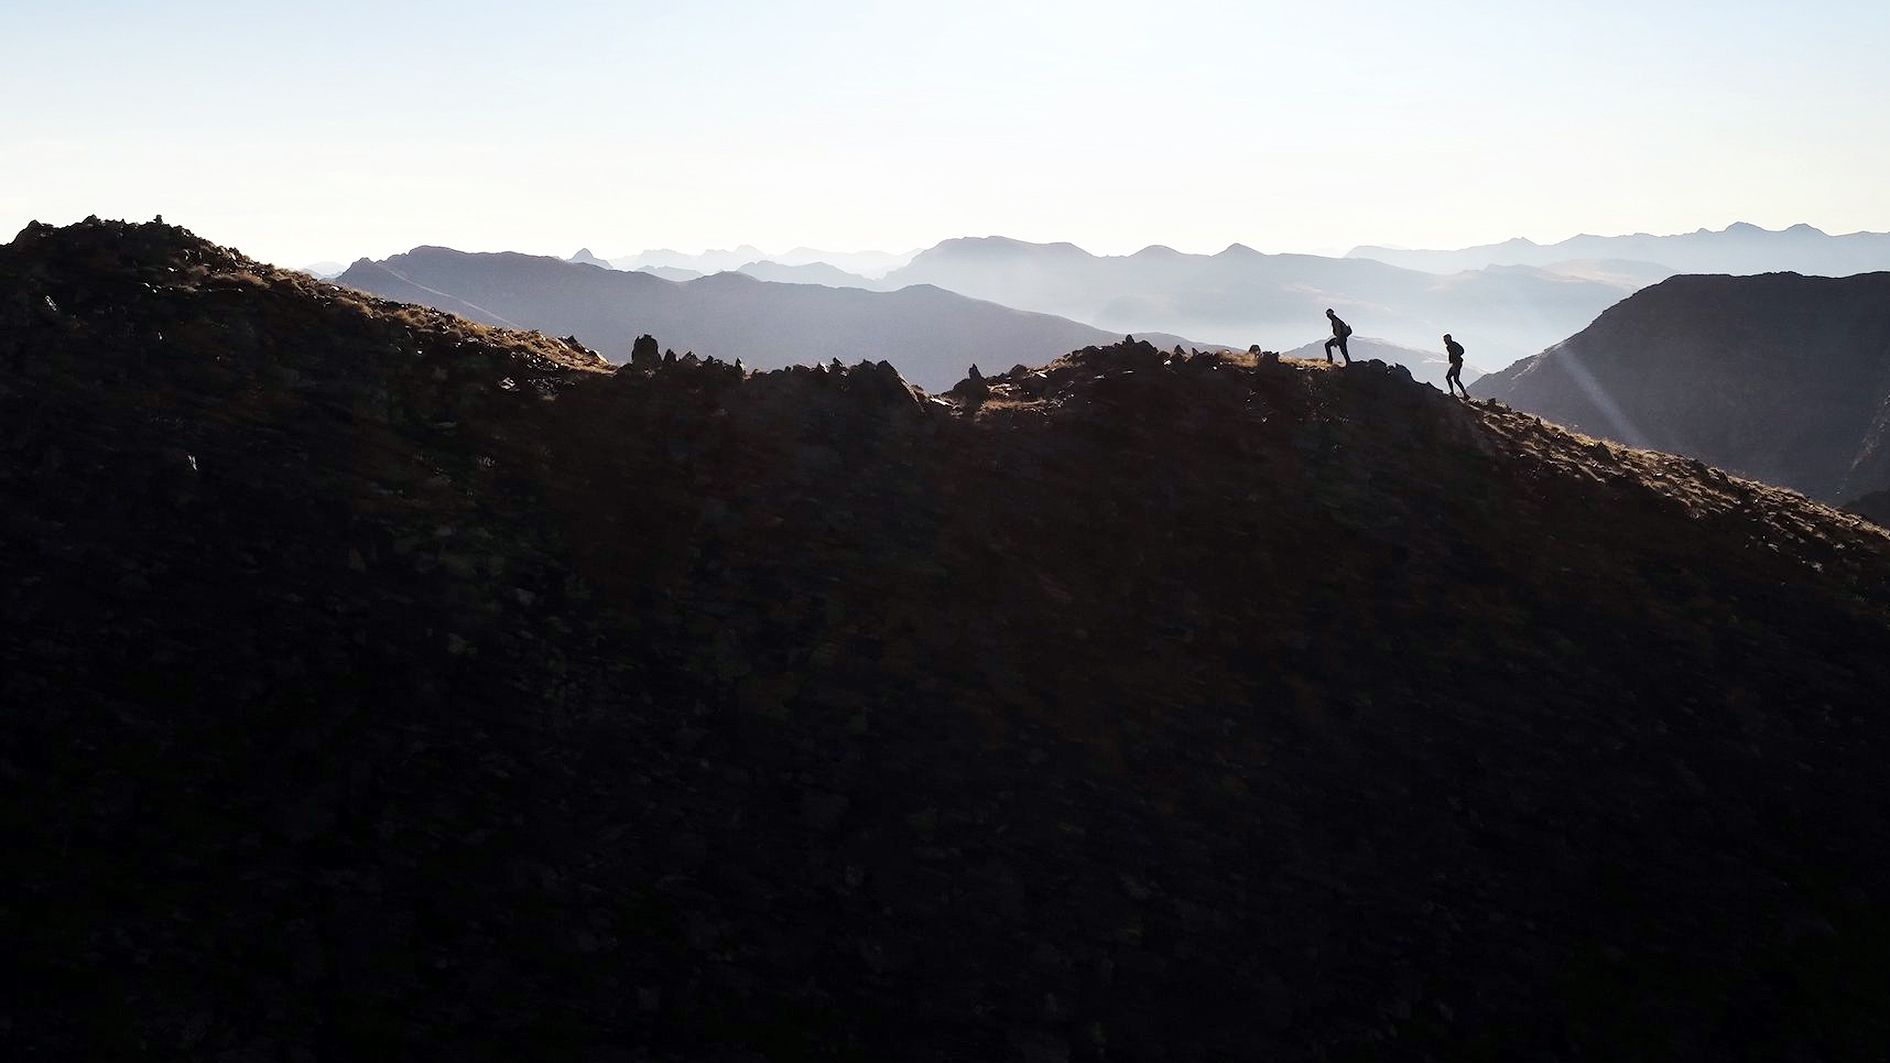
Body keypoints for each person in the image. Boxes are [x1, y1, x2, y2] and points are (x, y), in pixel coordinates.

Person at [1443, 333, 1469, 398]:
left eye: (1445, 340)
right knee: (1454, 379)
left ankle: (1454, 393)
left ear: (1449, 339)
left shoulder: (1453, 345)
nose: (1444, 342)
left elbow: (1462, 350)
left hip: (1456, 364)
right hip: (1456, 363)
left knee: (1451, 378)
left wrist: (1457, 356)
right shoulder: (1449, 346)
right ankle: (1464, 394)